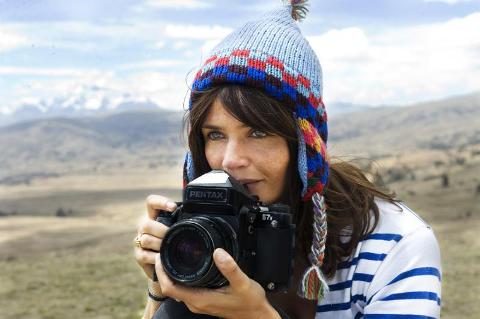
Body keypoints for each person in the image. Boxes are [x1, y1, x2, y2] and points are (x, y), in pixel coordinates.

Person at [133, 1, 442, 318]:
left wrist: (256, 314)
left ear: (304, 145)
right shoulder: (207, 235)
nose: (230, 160)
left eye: (258, 133)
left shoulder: (393, 243)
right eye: (215, 135)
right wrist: (164, 285)